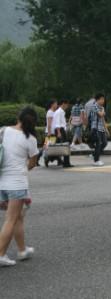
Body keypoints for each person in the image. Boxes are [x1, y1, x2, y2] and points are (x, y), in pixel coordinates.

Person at [0, 107, 40, 267]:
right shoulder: (30, 139)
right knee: (11, 219)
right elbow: (32, 164)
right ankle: (1, 254)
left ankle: (22, 250)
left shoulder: (3, 131)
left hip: (1, 183)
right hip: (16, 184)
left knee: (18, 217)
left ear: (19, 117)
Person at [90, 93, 110, 167]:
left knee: (104, 143)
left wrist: (106, 129)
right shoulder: (94, 106)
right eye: (102, 99)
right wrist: (103, 112)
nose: (103, 101)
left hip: (101, 128)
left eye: (103, 99)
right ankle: (96, 160)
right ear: (97, 99)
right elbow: (100, 114)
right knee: (98, 143)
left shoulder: (102, 107)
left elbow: (103, 119)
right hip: (95, 127)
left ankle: (94, 154)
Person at [53, 99, 74, 168]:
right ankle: (66, 163)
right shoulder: (59, 112)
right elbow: (57, 123)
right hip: (60, 130)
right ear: (63, 104)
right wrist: (59, 132)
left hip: (61, 130)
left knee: (63, 146)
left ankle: (64, 162)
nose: (67, 106)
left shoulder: (61, 112)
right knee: (65, 146)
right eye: (67, 105)